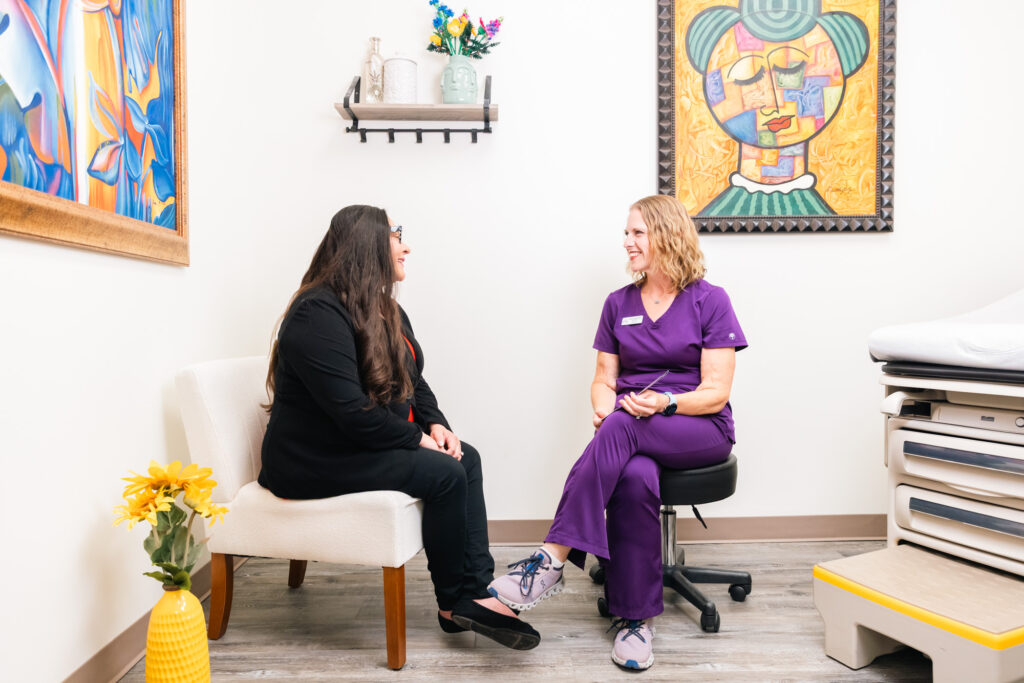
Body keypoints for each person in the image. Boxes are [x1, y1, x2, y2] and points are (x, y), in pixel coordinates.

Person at [258, 204, 539, 650]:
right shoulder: (316, 315)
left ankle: (477, 590)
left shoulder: (385, 308)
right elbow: (350, 412)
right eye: (396, 236)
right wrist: (417, 440)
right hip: (311, 460)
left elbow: (415, 379)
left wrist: (436, 424)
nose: (406, 246)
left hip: (355, 443)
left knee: (465, 458)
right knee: (443, 473)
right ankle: (453, 604)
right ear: (367, 246)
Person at [488, 195, 747, 671]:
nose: (626, 243)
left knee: (625, 426)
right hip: (632, 427)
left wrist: (664, 402)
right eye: (626, 233)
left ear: (667, 236)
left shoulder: (710, 300)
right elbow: (605, 379)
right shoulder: (617, 304)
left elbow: (715, 390)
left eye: (636, 233)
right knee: (632, 477)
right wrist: (605, 411)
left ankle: (552, 558)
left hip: (698, 427)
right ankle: (635, 622)